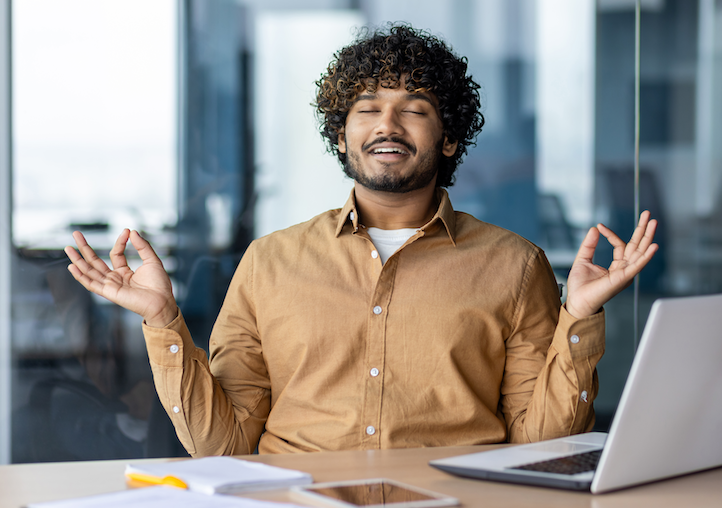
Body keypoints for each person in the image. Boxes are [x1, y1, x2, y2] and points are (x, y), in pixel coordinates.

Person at [65, 24, 657, 456]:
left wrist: (579, 314)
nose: (387, 125)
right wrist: (163, 319)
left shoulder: (514, 264)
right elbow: (224, 447)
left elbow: (540, 446)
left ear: (448, 139)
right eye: (367, 108)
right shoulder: (270, 262)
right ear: (343, 137)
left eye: (414, 109)